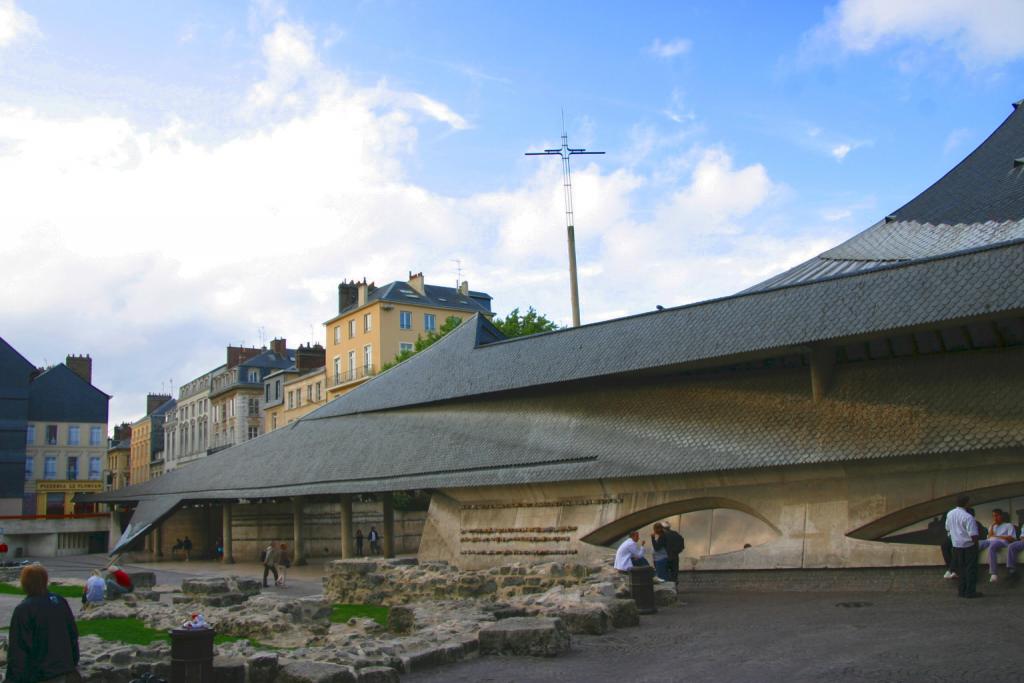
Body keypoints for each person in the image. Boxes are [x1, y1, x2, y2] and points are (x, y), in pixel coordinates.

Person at [6, 563, 80, 683]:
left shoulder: (24, 609)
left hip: (41, 675)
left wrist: (12, 679)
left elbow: (19, 649)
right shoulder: (59, 601)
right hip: (63, 671)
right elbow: (73, 634)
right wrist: (72, 662)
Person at [945, 496, 982, 598]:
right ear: (967, 503)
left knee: (961, 569)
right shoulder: (968, 517)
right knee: (971, 569)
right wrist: (976, 544)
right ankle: (970, 592)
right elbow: (973, 535)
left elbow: (947, 528)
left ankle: (961, 591)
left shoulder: (950, 514)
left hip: (956, 545)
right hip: (969, 545)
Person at [978, 509, 1018, 583]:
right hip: (990, 541)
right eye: (993, 516)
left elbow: (1011, 538)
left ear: (1001, 516)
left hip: (1002, 542)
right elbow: (989, 537)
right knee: (975, 544)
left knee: (992, 546)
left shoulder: (1008, 525)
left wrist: (998, 536)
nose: (995, 518)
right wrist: (993, 526)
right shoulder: (992, 526)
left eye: (997, 516)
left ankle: (993, 573)